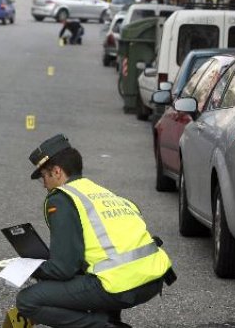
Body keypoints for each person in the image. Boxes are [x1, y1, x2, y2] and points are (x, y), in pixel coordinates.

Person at [15, 134, 175, 328]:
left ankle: (105, 325)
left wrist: (29, 268)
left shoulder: (61, 199)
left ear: (57, 172)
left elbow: (63, 268)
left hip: (120, 284)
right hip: (152, 278)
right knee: (88, 273)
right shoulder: (100, 192)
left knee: (28, 300)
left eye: (44, 176)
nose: (44, 184)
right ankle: (110, 319)